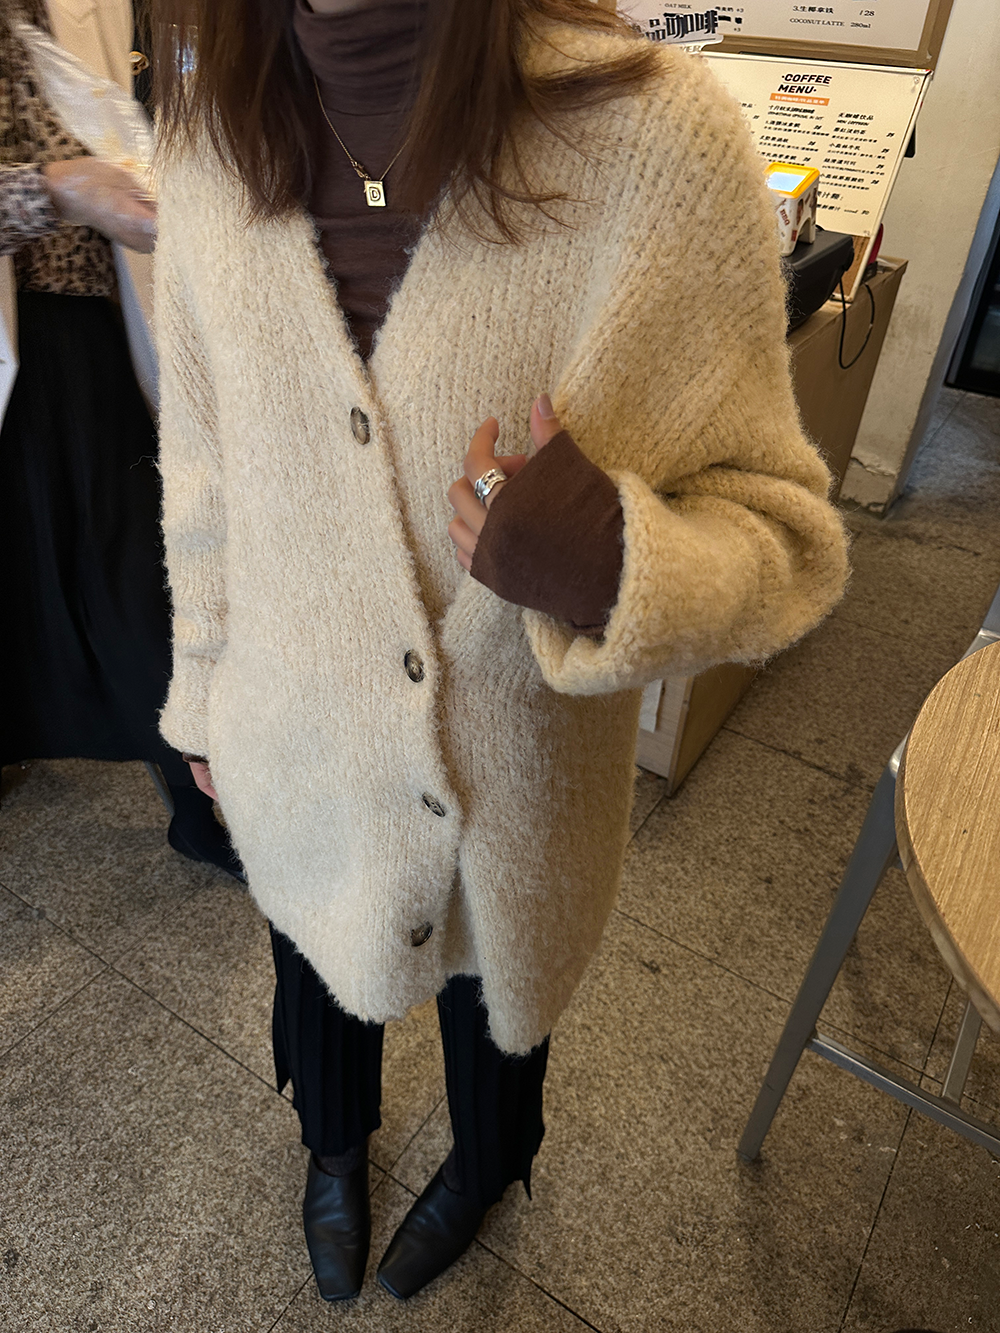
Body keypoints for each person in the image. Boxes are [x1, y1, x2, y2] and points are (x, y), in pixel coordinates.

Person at [151, 0, 850, 1302]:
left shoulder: (653, 138)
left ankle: (484, 1167)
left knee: (498, 998)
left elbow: (789, 539)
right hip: (291, 724)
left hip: (523, 771)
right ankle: (331, 1146)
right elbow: (201, 472)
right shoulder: (208, 141)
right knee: (315, 949)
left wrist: (620, 564)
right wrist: (200, 695)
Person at [0, 0, 243, 880]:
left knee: (146, 577)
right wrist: (56, 190)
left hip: (86, 333)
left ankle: (211, 808)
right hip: (30, 335)